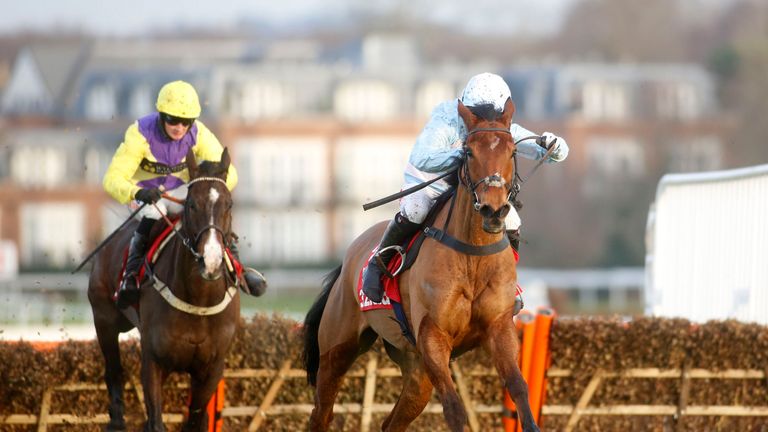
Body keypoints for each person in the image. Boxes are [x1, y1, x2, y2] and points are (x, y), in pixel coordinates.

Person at [362, 72, 569, 303]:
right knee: (416, 209)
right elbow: (422, 158)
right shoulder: (445, 121)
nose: (487, 122)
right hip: (431, 182)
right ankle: (378, 264)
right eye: (479, 116)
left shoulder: (501, 127)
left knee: (512, 220)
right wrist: (466, 155)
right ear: (466, 110)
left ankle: (507, 281)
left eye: (494, 117)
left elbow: (553, 154)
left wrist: (555, 145)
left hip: (471, 188)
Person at [103, 80, 267, 308]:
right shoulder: (139, 133)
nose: (179, 127)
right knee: (152, 214)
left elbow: (230, 175)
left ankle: (239, 270)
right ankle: (130, 277)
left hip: (180, 189)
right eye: (172, 119)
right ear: (161, 114)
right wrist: (137, 192)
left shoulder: (199, 133)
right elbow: (111, 179)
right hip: (144, 192)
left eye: (186, 121)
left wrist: (206, 188)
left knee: (210, 212)